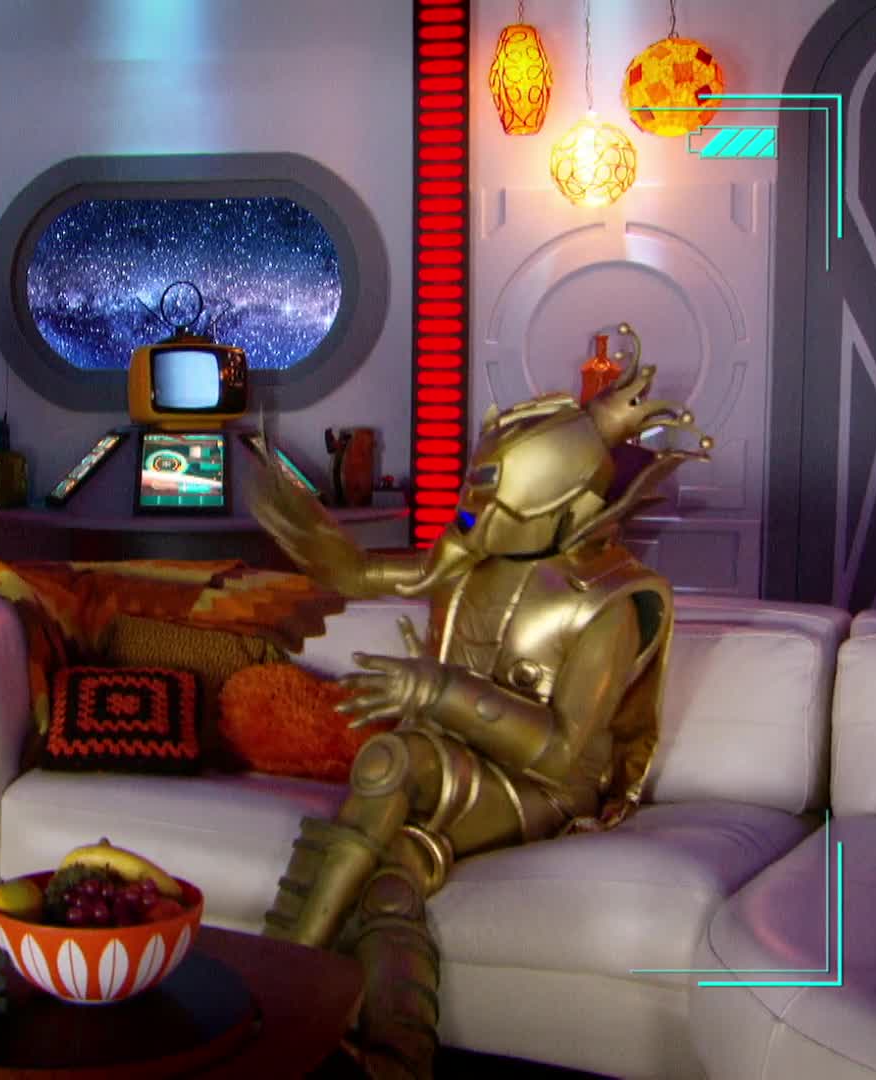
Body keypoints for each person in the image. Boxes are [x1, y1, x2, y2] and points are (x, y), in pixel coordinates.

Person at [249, 365, 711, 1077]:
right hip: (458, 759)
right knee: (391, 881)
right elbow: (385, 574)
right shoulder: (477, 557)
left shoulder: (610, 602)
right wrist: (325, 550)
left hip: (542, 790)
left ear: (563, 508)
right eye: (474, 505)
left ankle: (274, 999)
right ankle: (394, 1057)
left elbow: (560, 753)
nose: (471, 526)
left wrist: (437, 689)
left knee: (391, 761)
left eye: (496, 511)